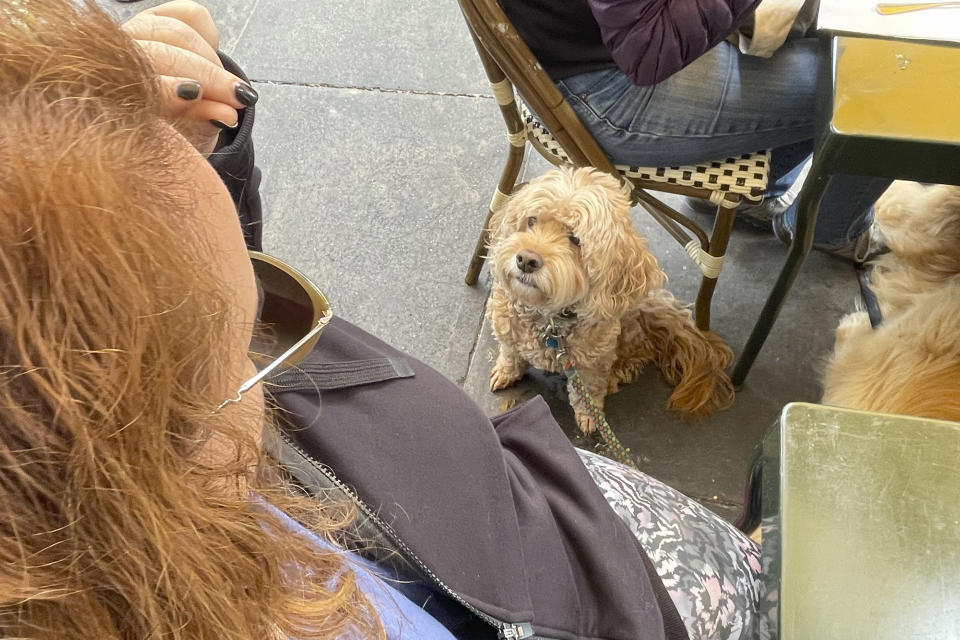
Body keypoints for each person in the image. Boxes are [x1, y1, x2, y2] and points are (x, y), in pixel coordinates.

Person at [0, 1, 772, 639]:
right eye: (241, 355)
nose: (282, 346)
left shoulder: (196, 363)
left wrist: (211, 158)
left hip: (561, 513)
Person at [498, 0, 890, 261]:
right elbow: (648, 48)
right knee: (885, 75)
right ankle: (829, 230)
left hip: (590, 47)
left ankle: (752, 198)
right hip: (607, 88)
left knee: (842, 35)